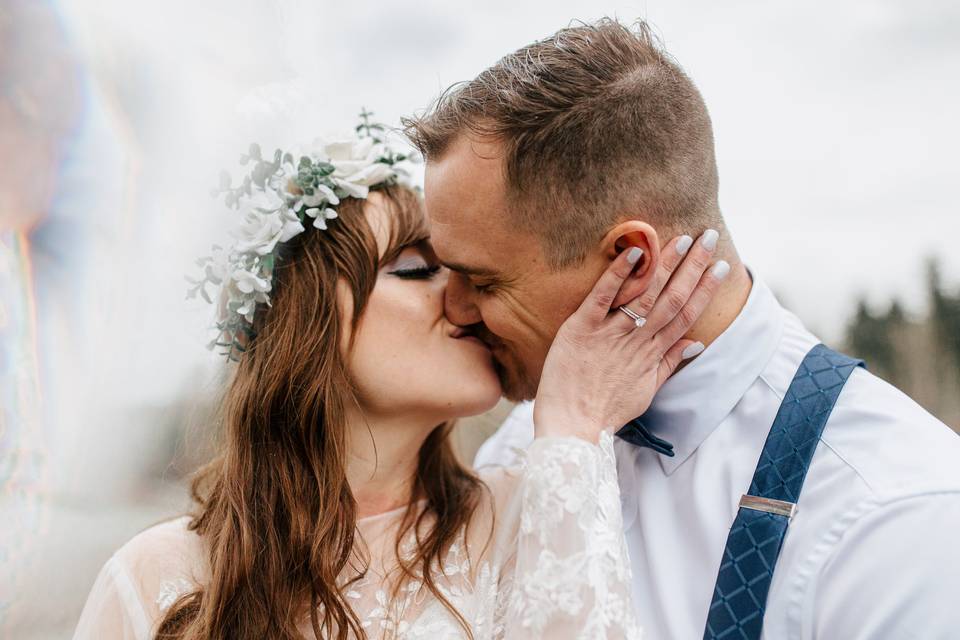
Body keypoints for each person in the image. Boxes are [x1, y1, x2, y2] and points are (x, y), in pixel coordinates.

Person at [404, 17, 960, 640]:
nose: (452, 308)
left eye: (483, 282)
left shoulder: (894, 515)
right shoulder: (521, 448)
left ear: (632, 262)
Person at [73, 128, 725, 639]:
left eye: (470, 273)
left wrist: (574, 428)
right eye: (415, 268)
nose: (465, 303)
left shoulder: (536, 514)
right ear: (305, 319)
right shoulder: (158, 577)